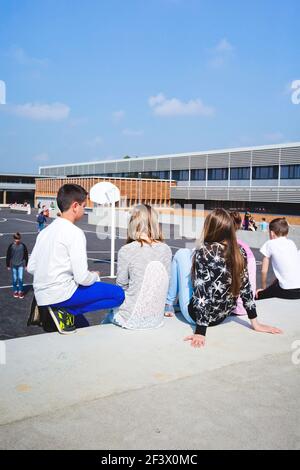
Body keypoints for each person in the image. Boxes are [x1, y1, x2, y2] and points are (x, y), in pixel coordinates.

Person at [166, 209, 281, 348]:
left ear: (210, 228)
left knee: (181, 254)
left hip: (197, 317)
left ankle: (169, 304)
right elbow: (245, 289)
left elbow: (203, 294)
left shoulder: (204, 252)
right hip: (222, 316)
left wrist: (200, 332)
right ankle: (172, 304)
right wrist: (255, 323)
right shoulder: (240, 251)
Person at [27, 184, 125, 334]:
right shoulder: (74, 233)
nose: (84, 210)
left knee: (82, 325)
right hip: (61, 295)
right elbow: (82, 278)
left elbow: (31, 267)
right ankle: (64, 309)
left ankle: (65, 312)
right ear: (75, 206)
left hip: (41, 296)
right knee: (118, 294)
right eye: (84, 206)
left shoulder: (45, 232)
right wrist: (95, 276)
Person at [106, 204, 172, 329]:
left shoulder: (127, 250)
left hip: (131, 318)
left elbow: (121, 285)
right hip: (156, 318)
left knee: (108, 311)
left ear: (133, 222)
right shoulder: (166, 249)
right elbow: (166, 281)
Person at [256, 217, 300, 300]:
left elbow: (264, 271)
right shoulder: (291, 243)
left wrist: (264, 288)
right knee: (274, 287)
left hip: (287, 291)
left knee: (258, 295)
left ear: (272, 233)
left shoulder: (270, 243)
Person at [229, 211, 256, 314]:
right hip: (248, 305)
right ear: (239, 226)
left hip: (234, 307)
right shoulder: (245, 247)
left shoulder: (229, 247)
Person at [6, 232, 28, 299]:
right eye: (16, 239)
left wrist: (26, 265)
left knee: (20, 279)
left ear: (20, 238)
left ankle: (20, 291)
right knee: (15, 279)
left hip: (20, 264)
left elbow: (26, 255)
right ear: (14, 239)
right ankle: (15, 291)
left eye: (18, 239)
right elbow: (8, 255)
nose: (17, 240)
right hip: (14, 265)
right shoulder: (11, 246)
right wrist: (8, 265)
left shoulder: (23, 246)